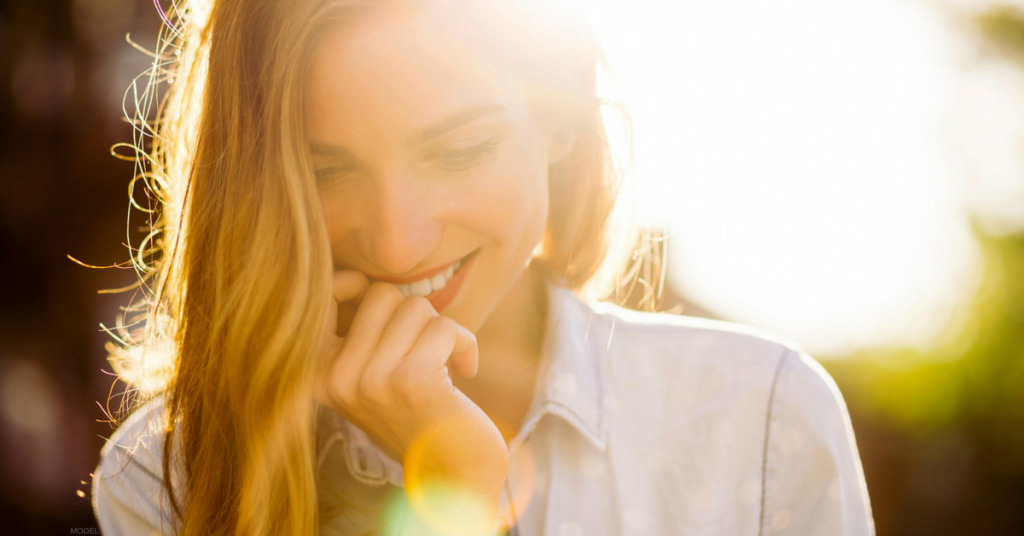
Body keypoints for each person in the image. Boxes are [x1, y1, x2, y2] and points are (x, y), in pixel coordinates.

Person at [91, 0, 875, 534]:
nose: (399, 243)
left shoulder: (759, 421)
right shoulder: (162, 477)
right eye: (325, 171)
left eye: (459, 150)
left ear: (560, 119)